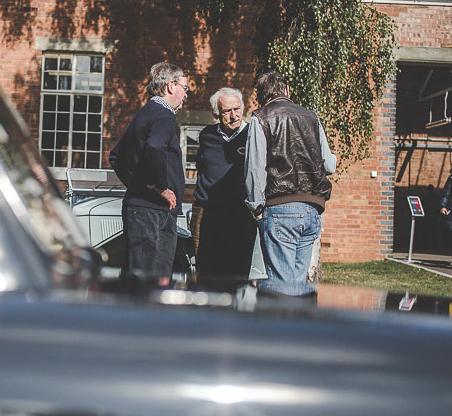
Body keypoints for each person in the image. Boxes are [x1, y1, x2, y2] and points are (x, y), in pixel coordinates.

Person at [244, 71, 336, 297]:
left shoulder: (260, 117)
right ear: (287, 91)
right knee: (297, 286)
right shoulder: (311, 117)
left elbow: (254, 168)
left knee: (280, 288)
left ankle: (281, 320)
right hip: (312, 208)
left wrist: (256, 207)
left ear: (261, 96)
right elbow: (329, 165)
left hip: (280, 207)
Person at [109, 62, 189, 281]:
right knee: (153, 282)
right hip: (155, 212)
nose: (186, 95)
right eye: (184, 88)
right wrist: (159, 187)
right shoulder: (164, 115)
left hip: (139, 209)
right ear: (171, 86)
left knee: (138, 278)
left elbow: (116, 157)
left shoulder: (145, 113)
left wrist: (140, 186)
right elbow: (155, 147)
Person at [192, 87, 257, 282]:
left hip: (240, 214)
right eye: (227, 111)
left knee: (237, 274)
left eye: (237, 109)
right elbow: (201, 166)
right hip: (208, 212)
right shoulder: (207, 135)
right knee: (206, 273)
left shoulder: (253, 135)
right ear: (216, 114)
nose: (234, 115)